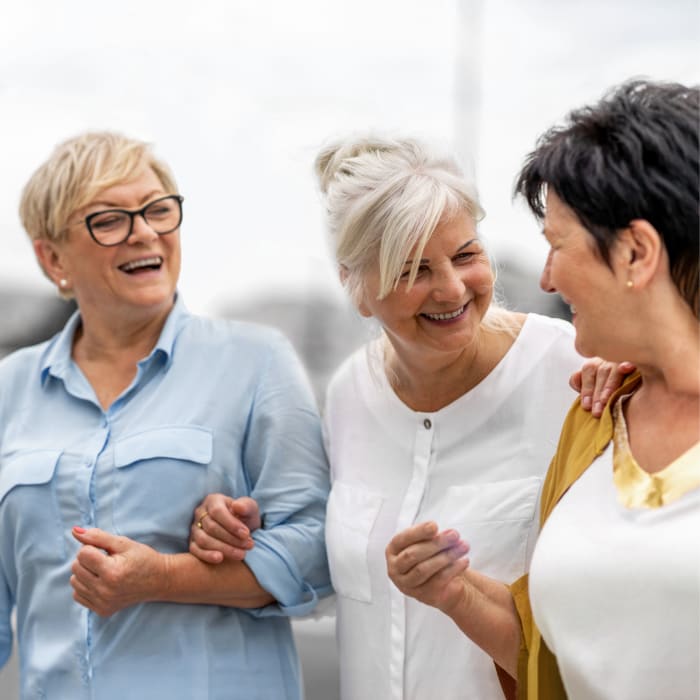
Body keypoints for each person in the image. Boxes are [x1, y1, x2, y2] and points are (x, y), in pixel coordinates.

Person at [190, 135, 629, 699]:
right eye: (412, 269)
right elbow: (322, 557)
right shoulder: (347, 394)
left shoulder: (578, 374)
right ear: (357, 289)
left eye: (467, 255)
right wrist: (233, 521)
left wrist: (644, 373)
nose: (451, 288)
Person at [386, 79, 700, 700]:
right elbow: (549, 656)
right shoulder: (593, 418)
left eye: (558, 245)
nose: (549, 277)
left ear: (636, 252)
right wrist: (455, 591)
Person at [0, 131, 331, 699]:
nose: (146, 232)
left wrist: (163, 576)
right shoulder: (9, 389)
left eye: (158, 210)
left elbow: (322, 549)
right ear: (52, 258)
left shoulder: (257, 363)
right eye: (110, 219)